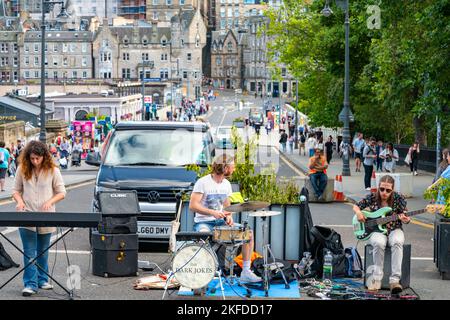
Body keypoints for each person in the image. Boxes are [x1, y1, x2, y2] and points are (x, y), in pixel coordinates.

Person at [189, 155, 261, 283]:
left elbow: (227, 207)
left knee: (248, 234)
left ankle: (245, 272)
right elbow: (193, 205)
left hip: (221, 222)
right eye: (232, 165)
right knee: (203, 235)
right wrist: (212, 212)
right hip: (204, 222)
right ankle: (202, 274)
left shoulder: (226, 184)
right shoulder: (203, 182)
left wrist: (229, 217)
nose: (234, 168)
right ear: (225, 167)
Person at [12, 140, 66, 296]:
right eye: (32, 158)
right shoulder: (22, 168)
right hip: (26, 214)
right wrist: (20, 201)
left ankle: (42, 279)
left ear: (44, 157)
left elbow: (62, 192)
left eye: (38, 158)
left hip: (46, 216)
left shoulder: (53, 170)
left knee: (43, 251)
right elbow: (15, 190)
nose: (34, 161)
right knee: (29, 252)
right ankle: (30, 284)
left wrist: (50, 202)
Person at [353, 175, 410, 294]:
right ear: (378, 187)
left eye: (388, 190)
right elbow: (356, 205)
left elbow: (405, 215)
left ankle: (394, 281)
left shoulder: (399, 198)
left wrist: (406, 219)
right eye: (382, 189)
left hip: (395, 228)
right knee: (379, 243)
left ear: (392, 190)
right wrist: (358, 212)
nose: (384, 192)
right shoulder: (373, 197)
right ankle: (376, 279)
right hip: (375, 231)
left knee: (397, 242)